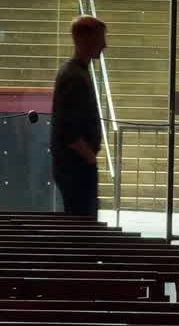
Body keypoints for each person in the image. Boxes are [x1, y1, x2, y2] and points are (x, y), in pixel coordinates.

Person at [50, 16, 106, 218]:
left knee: (79, 219)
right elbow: (68, 129)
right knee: (82, 220)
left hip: (75, 164)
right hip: (76, 166)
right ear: (85, 40)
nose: (104, 45)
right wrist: (89, 157)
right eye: (100, 39)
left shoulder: (74, 72)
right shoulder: (74, 76)